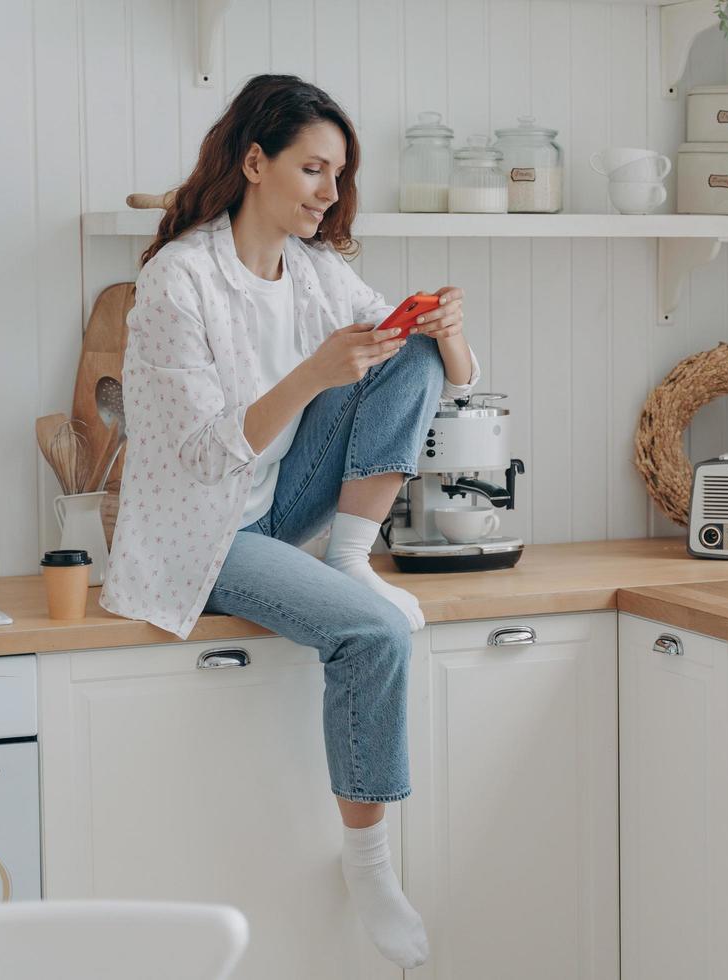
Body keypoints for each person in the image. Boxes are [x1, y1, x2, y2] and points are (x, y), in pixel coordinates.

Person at [100, 74, 479, 969]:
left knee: (410, 347)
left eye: (339, 176)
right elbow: (198, 457)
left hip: (281, 509)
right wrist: (314, 373)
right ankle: (369, 862)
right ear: (255, 161)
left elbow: (446, 377)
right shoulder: (178, 279)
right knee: (375, 634)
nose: (329, 193)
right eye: (314, 169)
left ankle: (351, 553)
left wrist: (448, 330)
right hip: (201, 534)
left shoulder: (315, 271)